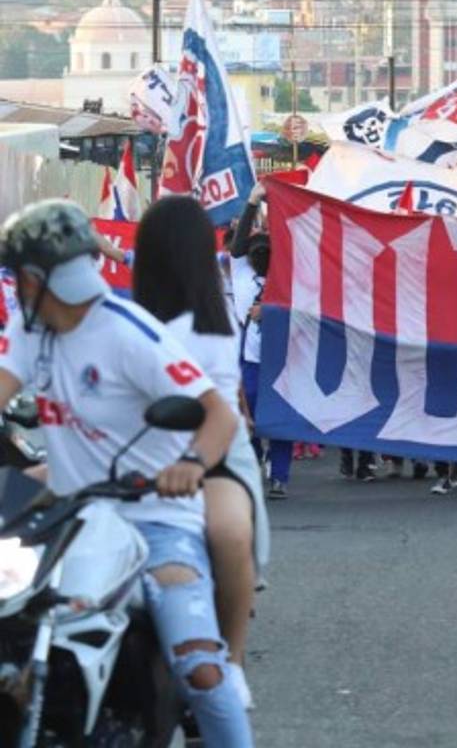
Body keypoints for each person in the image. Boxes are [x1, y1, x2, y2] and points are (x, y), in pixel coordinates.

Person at [0, 199, 252, 745]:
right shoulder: (30, 331)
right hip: (67, 525)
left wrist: (190, 463)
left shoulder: (127, 332)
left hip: (156, 522)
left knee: (202, 670)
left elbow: (218, 413)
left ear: (37, 278)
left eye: (18, 275)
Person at [130, 195, 270, 710]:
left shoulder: (215, 325)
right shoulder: (124, 319)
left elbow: (219, 413)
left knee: (228, 531)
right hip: (131, 451)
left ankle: (231, 664)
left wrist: (189, 461)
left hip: (210, 457)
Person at [231, 183, 293, 499]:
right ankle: (254, 462)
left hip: (283, 359)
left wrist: (270, 311)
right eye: (255, 249)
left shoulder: (286, 271)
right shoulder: (240, 271)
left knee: (282, 419)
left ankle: (279, 475)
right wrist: (252, 203)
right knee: (249, 415)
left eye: (266, 247)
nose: (259, 252)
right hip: (252, 360)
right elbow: (239, 244)